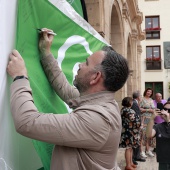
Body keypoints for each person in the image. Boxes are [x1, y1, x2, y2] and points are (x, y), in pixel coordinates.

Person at [7, 28, 129, 170]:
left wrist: (20, 76)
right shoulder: (100, 102)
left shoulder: (97, 120)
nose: (80, 65)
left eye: (86, 63)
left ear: (95, 77)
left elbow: (27, 122)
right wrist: (46, 53)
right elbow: (64, 88)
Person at [146, 101, 170, 170]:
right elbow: (148, 135)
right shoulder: (158, 126)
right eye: (165, 109)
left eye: (169, 110)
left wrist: (168, 121)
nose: (167, 112)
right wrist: (151, 119)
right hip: (163, 160)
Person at [119, 97, 140, 170]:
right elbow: (134, 120)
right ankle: (128, 165)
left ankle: (130, 163)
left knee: (130, 148)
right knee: (129, 148)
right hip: (130, 131)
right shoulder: (129, 110)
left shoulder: (123, 109)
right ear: (129, 102)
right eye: (131, 101)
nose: (132, 103)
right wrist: (140, 124)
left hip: (128, 131)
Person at [131, 91, 146, 164]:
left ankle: (137, 156)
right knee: (135, 141)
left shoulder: (135, 103)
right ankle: (134, 158)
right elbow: (136, 116)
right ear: (138, 97)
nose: (141, 97)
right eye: (140, 95)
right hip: (135, 127)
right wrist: (140, 125)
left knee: (137, 141)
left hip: (136, 126)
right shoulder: (134, 103)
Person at [140, 88, 155, 158]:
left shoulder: (151, 100)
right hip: (144, 118)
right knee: (142, 135)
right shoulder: (142, 99)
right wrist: (148, 110)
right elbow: (139, 109)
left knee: (149, 135)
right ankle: (141, 151)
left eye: (150, 92)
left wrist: (153, 111)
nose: (149, 93)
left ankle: (148, 150)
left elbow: (154, 109)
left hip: (150, 119)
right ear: (146, 92)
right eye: (148, 91)